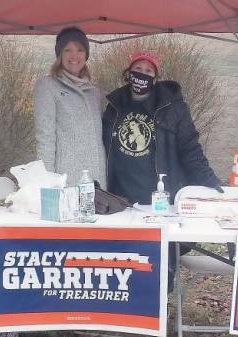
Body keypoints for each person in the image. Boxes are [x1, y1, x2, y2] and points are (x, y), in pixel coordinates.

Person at [102, 51, 221, 205]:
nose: (142, 74)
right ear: (129, 73)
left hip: (160, 199)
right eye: (137, 69)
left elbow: (190, 149)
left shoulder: (173, 107)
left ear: (155, 78)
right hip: (120, 199)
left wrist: (211, 181)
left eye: (148, 71)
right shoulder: (114, 105)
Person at [34, 26, 106, 187]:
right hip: (65, 181)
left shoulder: (94, 93)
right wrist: (47, 183)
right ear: (59, 54)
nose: (74, 56)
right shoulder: (47, 86)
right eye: (68, 50)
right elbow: (45, 138)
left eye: (80, 50)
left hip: (97, 182)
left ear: (86, 54)